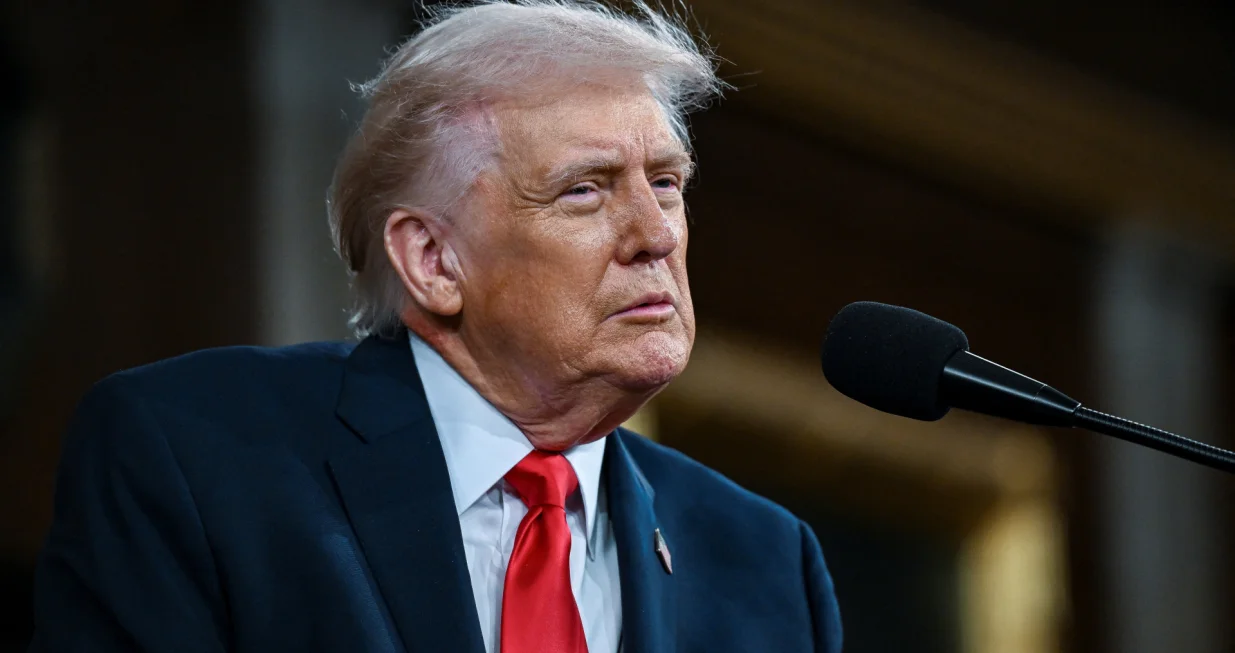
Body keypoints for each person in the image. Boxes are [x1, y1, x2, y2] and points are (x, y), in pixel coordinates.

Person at [29, 2, 842, 651]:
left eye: (664, 183)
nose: (656, 234)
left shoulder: (764, 560)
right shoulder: (196, 458)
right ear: (432, 259)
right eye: (584, 191)